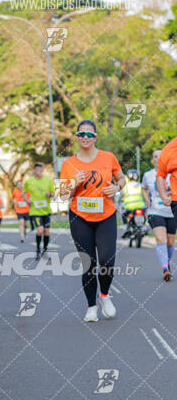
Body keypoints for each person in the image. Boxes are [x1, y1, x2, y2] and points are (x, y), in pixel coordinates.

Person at [60, 119, 125, 323]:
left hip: (106, 216)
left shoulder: (108, 157)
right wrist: (74, 183)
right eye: (81, 134)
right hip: (80, 218)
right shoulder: (68, 163)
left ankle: (104, 295)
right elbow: (62, 196)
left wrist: (117, 188)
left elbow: (121, 178)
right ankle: (91, 307)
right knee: (88, 263)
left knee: (107, 261)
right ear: (77, 137)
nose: (85, 138)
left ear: (95, 137)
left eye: (89, 135)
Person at [142, 150, 176, 281]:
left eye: (161, 156)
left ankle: (167, 262)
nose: (158, 158)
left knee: (170, 241)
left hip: (171, 211)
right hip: (154, 211)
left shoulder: (172, 174)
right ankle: (165, 269)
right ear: (153, 160)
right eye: (155, 156)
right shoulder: (148, 175)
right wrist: (147, 200)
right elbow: (143, 188)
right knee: (161, 240)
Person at [23, 163, 55, 260]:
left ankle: (45, 251)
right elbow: (23, 193)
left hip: (46, 211)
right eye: (37, 169)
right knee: (40, 230)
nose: (39, 171)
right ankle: (37, 250)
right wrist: (27, 200)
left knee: (46, 232)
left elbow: (53, 193)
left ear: (42, 170)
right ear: (34, 170)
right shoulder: (29, 181)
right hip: (35, 211)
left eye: (40, 169)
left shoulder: (48, 180)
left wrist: (50, 194)